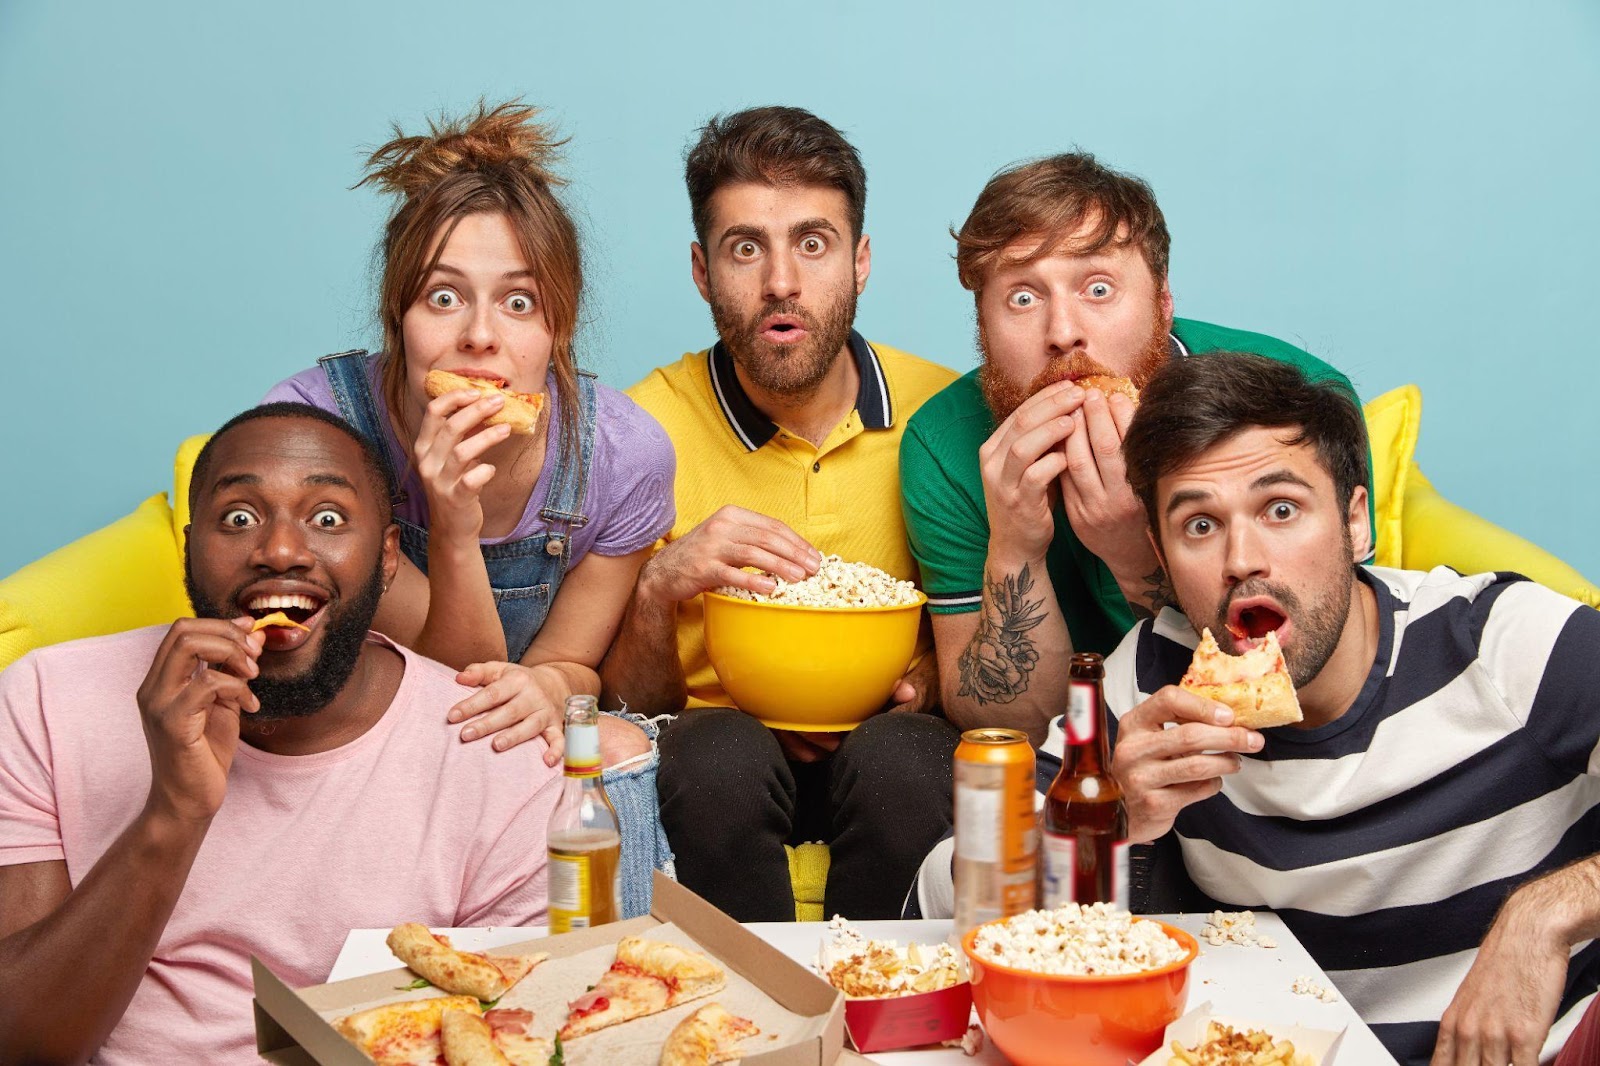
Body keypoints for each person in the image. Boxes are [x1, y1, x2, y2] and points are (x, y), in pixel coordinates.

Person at [933, 354, 1600, 1066]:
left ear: (1355, 522)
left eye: (1281, 510)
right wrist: (1108, 815)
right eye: (1199, 526)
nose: (1242, 559)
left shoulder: (1505, 643)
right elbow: (946, 899)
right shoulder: (1156, 679)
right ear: (1159, 553)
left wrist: (1545, 916)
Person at [0, 404, 563, 1064]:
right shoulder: (48, 699)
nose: (280, 551)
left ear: (386, 559)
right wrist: (175, 812)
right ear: (188, 551)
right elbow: (23, 1043)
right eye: (239, 518)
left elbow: (510, 1035)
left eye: (327, 518)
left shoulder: (494, 752)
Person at [262, 100, 673, 913]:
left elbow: (571, 663)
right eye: (443, 298)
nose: (481, 338)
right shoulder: (318, 440)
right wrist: (453, 523)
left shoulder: (624, 455)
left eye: (518, 303)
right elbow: (447, 682)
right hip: (355, 728)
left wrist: (548, 690)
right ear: (399, 321)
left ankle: (608, 993)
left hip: (506, 731)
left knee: (616, 744)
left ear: (557, 329)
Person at [603, 106, 961, 922]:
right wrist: (660, 586)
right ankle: (753, 1023)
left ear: (861, 259)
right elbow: (627, 703)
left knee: (907, 755)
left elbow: (984, 633)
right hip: (712, 767)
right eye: (744, 248)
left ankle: (881, 1015)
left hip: (889, 760)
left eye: (813, 242)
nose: (782, 283)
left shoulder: (944, 417)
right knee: (715, 750)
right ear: (701, 269)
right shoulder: (638, 430)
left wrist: (935, 674)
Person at [899, 153, 1367, 744]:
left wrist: (1134, 553)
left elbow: (1309, 669)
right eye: (1022, 298)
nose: (1063, 332)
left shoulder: (1296, 402)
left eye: (1098, 288)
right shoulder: (944, 444)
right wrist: (1014, 548)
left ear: (1162, 301)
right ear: (981, 327)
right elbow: (1010, 728)